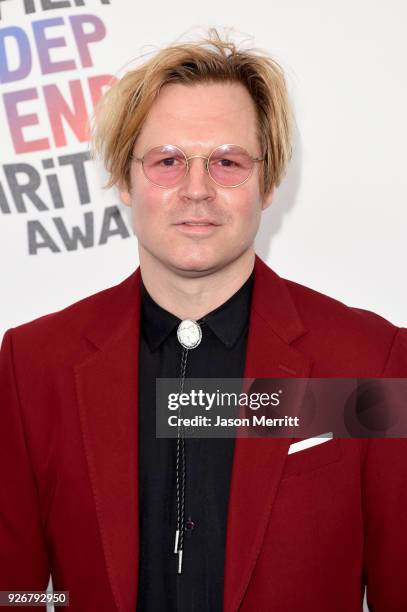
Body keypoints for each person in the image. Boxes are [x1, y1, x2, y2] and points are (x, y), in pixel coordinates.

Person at [0, 28, 406, 612]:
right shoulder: (34, 364)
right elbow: (13, 592)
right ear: (124, 177)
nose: (197, 189)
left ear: (267, 184)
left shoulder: (373, 361)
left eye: (227, 161)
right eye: (167, 161)